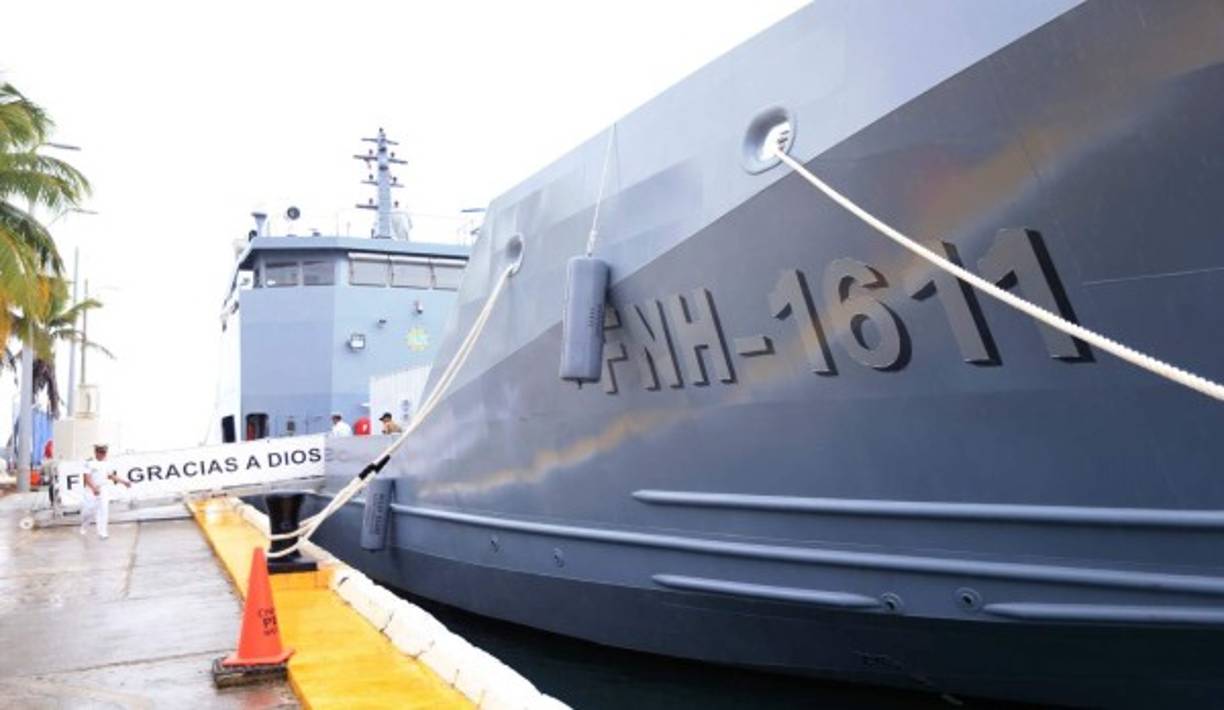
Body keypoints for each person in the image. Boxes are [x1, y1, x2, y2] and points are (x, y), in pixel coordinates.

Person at [79, 443, 131, 539]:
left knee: (103, 510)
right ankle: (84, 526)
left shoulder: (107, 463)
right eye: (101, 452)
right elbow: (87, 478)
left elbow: (111, 476)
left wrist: (124, 482)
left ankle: (102, 532)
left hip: (103, 488)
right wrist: (94, 488)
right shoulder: (89, 463)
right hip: (90, 489)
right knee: (88, 511)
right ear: (96, 452)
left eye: (105, 452)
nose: (103, 454)